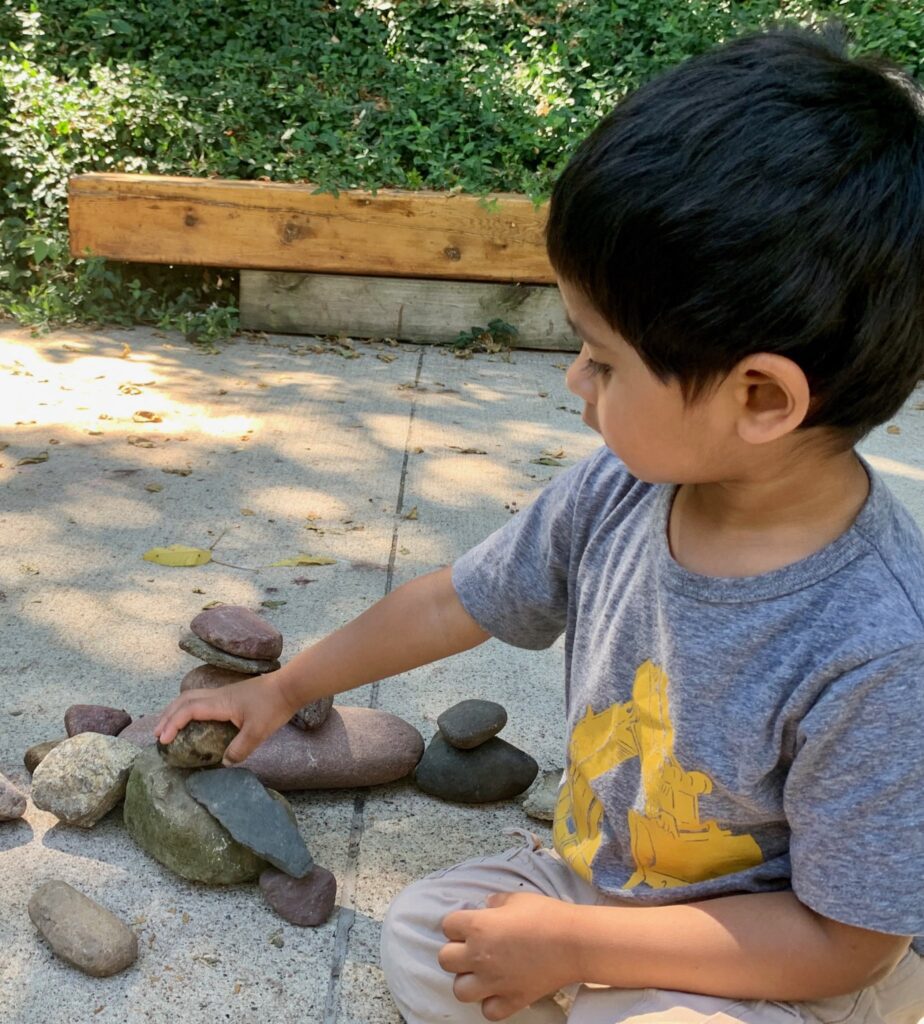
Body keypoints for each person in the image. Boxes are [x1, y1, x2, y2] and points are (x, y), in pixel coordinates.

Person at [154, 23, 924, 1024]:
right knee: (426, 936)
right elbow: (452, 602)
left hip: (766, 960)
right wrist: (293, 685)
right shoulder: (620, 492)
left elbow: (847, 943)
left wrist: (573, 946)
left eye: (602, 359)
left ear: (762, 399)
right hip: (604, 890)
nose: (574, 379)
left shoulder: (878, 649)